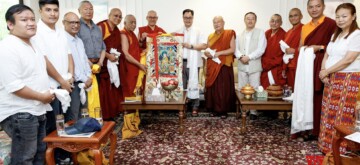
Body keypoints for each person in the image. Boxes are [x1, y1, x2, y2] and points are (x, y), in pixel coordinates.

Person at [0, 4, 56, 164]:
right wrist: (42, 96)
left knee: (39, 155)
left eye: (32, 19)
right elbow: (14, 85)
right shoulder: (7, 47)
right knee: (25, 158)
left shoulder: (33, 44)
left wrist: (48, 92)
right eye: (24, 20)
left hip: (36, 109)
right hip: (19, 112)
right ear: (10, 25)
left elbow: (34, 75)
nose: (31, 23)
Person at [291, 0, 337, 140]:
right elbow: (300, 45)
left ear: (323, 7)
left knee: (317, 96)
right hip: (306, 65)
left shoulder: (331, 24)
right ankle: (305, 127)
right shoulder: (305, 27)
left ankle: (316, 130)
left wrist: (320, 48)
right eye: (311, 7)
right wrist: (302, 49)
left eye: (318, 6)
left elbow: (335, 46)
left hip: (322, 63)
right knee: (305, 95)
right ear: (307, 9)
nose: (314, 9)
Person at [318, 3, 360, 154]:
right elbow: (327, 55)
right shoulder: (335, 34)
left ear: (353, 16)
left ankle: (342, 150)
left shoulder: (357, 34)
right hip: (331, 77)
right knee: (328, 112)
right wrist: (324, 71)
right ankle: (327, 146)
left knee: (343, 115)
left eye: (344, 16)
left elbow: (348, 59)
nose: (340, 20)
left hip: (348, 79)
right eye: (337, 16)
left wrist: (327, 70)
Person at [34, 0, 74, 134]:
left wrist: (71, 77)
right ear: (40, 11)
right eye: (48, 10)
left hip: (66, 84)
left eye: (55, 10)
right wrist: (62, 82)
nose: (53, 14)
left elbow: (69, 55)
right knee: (52, 128)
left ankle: (64, 155)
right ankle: (54, 155)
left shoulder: (60, 31)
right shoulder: (36, 31)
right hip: (50, 87)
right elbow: (44, 61)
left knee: (66, 123)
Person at [175, 9, 207, 116]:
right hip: (181, 63)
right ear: (183, 18)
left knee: (194, 83)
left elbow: (204, 45)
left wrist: (191, 46)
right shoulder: (178, 31)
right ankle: (183, 106)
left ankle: (195, 106)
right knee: (182, 85)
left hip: (194, 62)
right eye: (185, 17)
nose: (187, 19)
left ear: (193, 18)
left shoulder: (198, 31)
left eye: (190, 17)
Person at [235, 12, 266, 120]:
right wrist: (241, 56)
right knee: (242, 89)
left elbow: (261, 49)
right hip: (242, 65)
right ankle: (244, 110)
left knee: (255, 88)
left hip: (254, 65)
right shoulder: (240, 34)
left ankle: (253, 111)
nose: (250, 20)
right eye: (248, 18)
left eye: (252, 18)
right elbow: (236, 49)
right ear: (244, 20)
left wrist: (249, 57)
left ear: (255, 21)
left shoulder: (260, 32)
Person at [205, 16, 236, 119]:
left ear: (223, 22)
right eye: (214, 22)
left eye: (219, 22)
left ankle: (223, 111)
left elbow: (232, 49)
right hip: (213, 64)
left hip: (224, 64)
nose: (216, 24)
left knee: (224, 88)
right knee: (213, 88)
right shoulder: (210, 36)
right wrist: (207, 53)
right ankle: (213, 109)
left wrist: (219, 53)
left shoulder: (229, 33)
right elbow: (208, 50)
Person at [63, 12, 92, 121]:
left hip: (84, 82)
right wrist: (85, 79)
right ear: (64, 23)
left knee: (84, 113)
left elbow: (84, 60)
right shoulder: (62, 40)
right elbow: (69, 64)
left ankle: (83, 137)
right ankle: (72, 138)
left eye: (77, 22)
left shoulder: (79, 40)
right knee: (73, 116)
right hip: (73, 83)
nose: (75, 25)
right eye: (71, 22)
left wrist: (89, 77)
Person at [96, 8, 124, 120]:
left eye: (120, 16)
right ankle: (105, 116)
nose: (117, 18)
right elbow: (96, 46)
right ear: (109, 15)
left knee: (112, 89)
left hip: (112, 64)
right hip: (102, 63)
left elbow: (118, 47)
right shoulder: (101, 27)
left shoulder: (116, 30)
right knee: (104, 90)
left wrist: (116, 55)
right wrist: (108, 56)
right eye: (115, 15)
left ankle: (112, 113)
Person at [120, 15, 146, 97]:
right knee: (129, 89)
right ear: (124, 23)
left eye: (135, 22)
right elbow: (126, 54)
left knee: (135, 90)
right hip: (129, 68)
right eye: (131, 22)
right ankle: (127, 109)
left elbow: (136, 48)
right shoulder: (123, 35)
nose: (134, 25)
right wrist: (139, 64)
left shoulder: (132, 34)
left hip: (135, 67)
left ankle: (135, 109)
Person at [78, 0, 106, 71]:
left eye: (91, 9)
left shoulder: (97, 28)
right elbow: (76, 48)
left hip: (98, 65)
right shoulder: (76, 26)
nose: (89, 12)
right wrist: (87, 62)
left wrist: (100, 62)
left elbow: (103, 47)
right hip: (83, 64)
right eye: (86, 9)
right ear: (79, 11)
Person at [260, 14, 286, 89]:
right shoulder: (266, 33)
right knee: (264, 90)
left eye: (277, 21)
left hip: (276, 67)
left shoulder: (284, 34)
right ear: (269, 22)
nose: (274, 23)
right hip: (264, 66)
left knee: (275, 91)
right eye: (272, 21)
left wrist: (269, 64)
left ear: (281, 23)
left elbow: (283, 53)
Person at [282, 8, 303, 90]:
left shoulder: (304, 29)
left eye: (295, 15)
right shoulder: (288, 32)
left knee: (298, 90)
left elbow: (309, 46)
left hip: (298, 64)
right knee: (290, 91)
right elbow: (285, 51)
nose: (293, 18)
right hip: (288, 65)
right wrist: (284, 67)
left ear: (301, 16)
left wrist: (294, 50)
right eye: (290, 16)